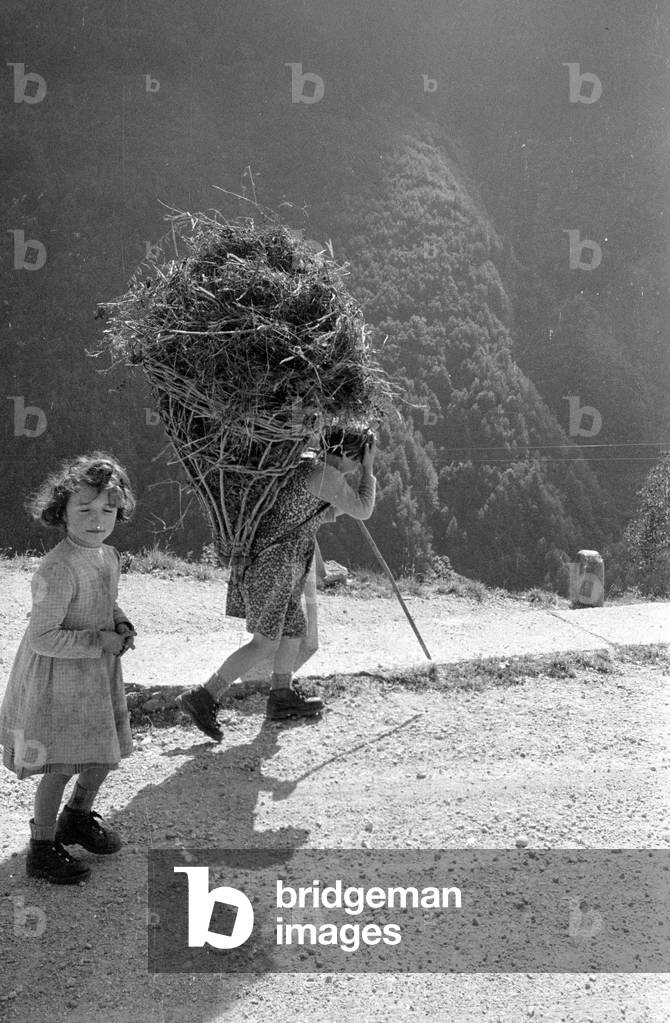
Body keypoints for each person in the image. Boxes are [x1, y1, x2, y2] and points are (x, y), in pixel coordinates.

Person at [177, 428, 377, 738]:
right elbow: (363, 509)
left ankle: (281, 695)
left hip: (276, 560)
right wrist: (369, 470)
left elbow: (322, 512)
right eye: (360, 456)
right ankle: (204, 696)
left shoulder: (307, 465)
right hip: (276, 564)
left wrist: (350, 493)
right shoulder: (326, 475)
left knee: (293, 629)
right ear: (352, 454)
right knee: (265, 641)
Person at [0, 453, 137, 884]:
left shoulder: (107, 555)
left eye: (108, 510)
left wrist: (120, 621)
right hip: (58, 680)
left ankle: (76, 818)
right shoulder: (58, 567)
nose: (97, 519)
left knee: (103, 751)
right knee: (59, 765)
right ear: (62, 511)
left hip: (94, 676)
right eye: (85, 509)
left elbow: (104, 598)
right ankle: (41, 847)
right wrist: (100, 640)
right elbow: (43, 636)